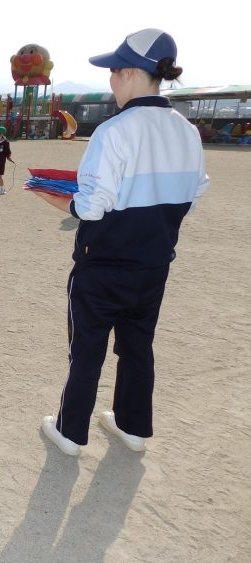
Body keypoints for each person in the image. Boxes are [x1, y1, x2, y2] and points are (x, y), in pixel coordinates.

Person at [33, 29, 210, 456]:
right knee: (137, 346)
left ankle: (71, 433)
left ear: (131, 73)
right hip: (153, 265)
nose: (111, 80)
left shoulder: (114, 131)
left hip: (104, 265)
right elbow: (196, 190)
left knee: (87, 350)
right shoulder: (186, 130)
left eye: (114, 71)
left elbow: (91, 207)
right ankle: (133, 428)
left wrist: (51, 196)